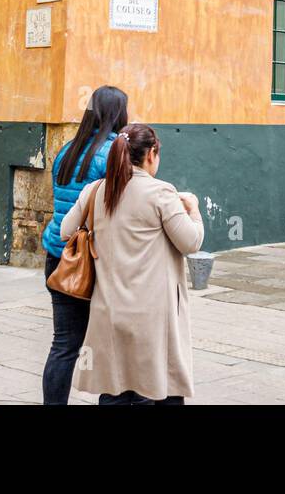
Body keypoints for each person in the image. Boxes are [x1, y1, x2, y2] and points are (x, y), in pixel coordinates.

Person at [61, 123, 203, 404]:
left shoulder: (96, 190)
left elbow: (67, 230)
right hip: (152, 315)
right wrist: (194, 209)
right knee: (159, 387)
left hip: (108, 311)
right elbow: (191, 242)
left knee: (114, 389)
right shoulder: (161, 193)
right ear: (151, 154)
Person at [39, 85, 128, 405]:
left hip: (59, 254)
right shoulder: (113, 153)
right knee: (112, 344)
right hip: (94, 261)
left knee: (63, 344)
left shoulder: (67, 150)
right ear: (119, 114)